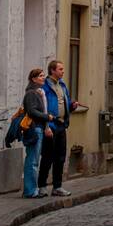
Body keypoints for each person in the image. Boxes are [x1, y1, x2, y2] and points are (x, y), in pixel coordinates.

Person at [38, 59, 76, 197]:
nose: (63, 71)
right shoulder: (45, 87)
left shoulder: (63, 86)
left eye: (63, 69)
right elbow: (42, 107)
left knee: (60, 157)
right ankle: (42, 185)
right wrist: (46, 126)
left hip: (61, 124)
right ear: (52, 70)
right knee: (47, 156)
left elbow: (65, 102)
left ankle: (57, 186)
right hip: (50, 125)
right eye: (60, 69)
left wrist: (71, 106)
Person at [22, 68, 51, 198]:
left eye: (43, 76)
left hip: (38, 128)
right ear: (33, 79)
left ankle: (32, 189)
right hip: (34, 129)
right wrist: (46, 117)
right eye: (40, 76)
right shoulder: (31, 93)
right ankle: (30, 191)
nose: (43, 78)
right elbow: (32, 111)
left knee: (34, 160)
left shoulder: (38, 92)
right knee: (32, 161)